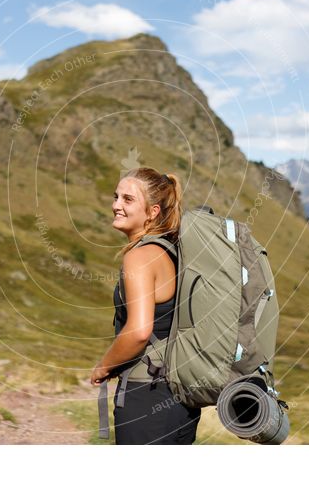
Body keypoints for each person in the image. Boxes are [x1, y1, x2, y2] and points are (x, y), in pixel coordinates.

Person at [89, 167, 201, 444]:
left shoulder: (139, 258)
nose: (116, 205)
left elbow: (139, 330)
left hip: (147, 394)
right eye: (116, 197)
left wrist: (104, 366)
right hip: (179, 398)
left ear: (152, 212)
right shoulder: (173, 251)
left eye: (128, 200)